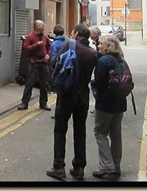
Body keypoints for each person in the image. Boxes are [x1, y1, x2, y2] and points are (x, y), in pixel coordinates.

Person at [46, 24, 98, 180]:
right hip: (83, 96)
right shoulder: (93, 53)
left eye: (73, 32)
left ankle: (58, 167)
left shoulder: (70, 45)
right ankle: (79, 167)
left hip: (67, 94)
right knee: (80, 131)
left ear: (76, 34)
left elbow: (55, 62)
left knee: (60, 130)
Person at [90, 34, 126, 179]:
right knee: (116, 134)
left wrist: (92, 83)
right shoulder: (121, 59)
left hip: (105, 103)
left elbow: (98, 82)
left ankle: (106, 166)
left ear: (108, 46)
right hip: (120, 102)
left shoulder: (104, 61)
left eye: (101, 44)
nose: (98, 46)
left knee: (100, 132)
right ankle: (116, 165)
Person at [17, 20, 52, 111]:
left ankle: (43, 103)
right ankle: (24, 103)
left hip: (43, 62)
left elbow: (49, 47)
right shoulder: (30, 36)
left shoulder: (45, 37)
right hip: (34, 62)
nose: (44, 27)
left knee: (44, 84)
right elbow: (26, 48)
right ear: (37, 26)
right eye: (42, 25)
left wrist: (48, 54)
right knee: (29, 83)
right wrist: (36, 45)